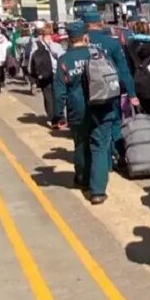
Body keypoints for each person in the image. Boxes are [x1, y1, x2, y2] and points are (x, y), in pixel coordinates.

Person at [50, 22, 107, 199]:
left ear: (69, 39)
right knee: (99, 147)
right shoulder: (98, 54)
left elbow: (59, 92)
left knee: (81, 145)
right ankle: (97, 190)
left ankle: (82, 179)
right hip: (100, 107)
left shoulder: (64, 61)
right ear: (85, 37)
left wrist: (58, 115)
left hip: (77, 110)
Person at [84, 9, 138, 164]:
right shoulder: (111, 43)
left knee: (94, 126)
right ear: (100, 23)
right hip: (111, 90)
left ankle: (102, 158)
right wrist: (132, 93)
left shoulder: (81, 42)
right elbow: (123, 70)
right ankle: (117, 153)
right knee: (114, 122)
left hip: (89, 91)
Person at [30, 26, 65, 126]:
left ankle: (51, 118)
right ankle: (60, 117)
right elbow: (62, 58)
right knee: (58, 95)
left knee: (48, 96)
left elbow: (32, 59)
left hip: (44, 74)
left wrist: (32, 75)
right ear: (52, 33)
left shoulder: (36, 44)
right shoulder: (56, 45)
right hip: (56, 73)